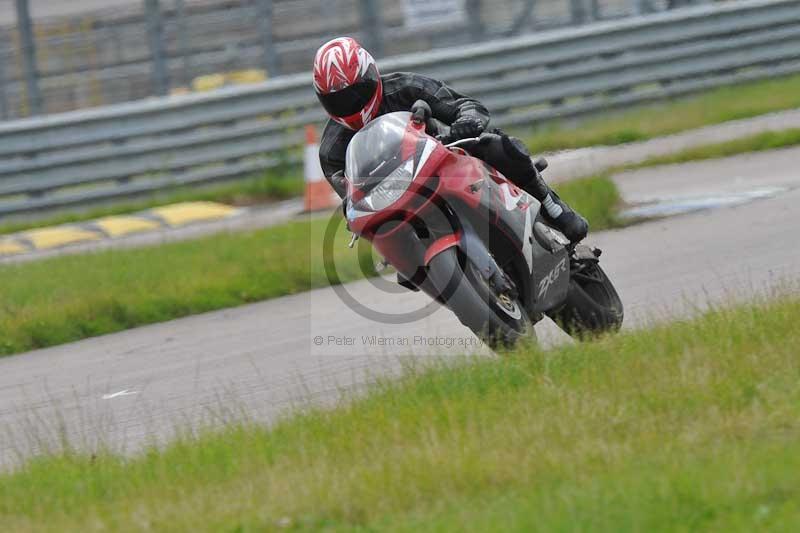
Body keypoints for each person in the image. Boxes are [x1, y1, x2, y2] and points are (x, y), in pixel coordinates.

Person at [313, 37, 588, 243]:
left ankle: (553, 206)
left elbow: (465, 104)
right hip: (397, 201)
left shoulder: (406, 87)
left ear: (371, 74)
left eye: (356, 92)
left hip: (442, 157)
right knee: (386, 243)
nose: (350, 104)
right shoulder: (331, 151)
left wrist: (465, 122)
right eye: (336, 99)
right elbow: (350, 198)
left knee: (497, 144)